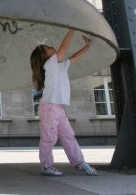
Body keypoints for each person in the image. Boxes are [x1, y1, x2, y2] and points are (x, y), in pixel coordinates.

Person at [30, 29, 98, 177]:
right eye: (48, 48)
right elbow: (64, 46)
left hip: (58, 108)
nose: (51, 47)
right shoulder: (50, 64)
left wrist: (87, 47)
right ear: (45, 55)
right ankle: (46, 167)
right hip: (49, 107)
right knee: (49, 138)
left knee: (68, 136)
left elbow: (73, 57)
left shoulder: (59, 65)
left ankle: (80, 163)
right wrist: (71, 29)